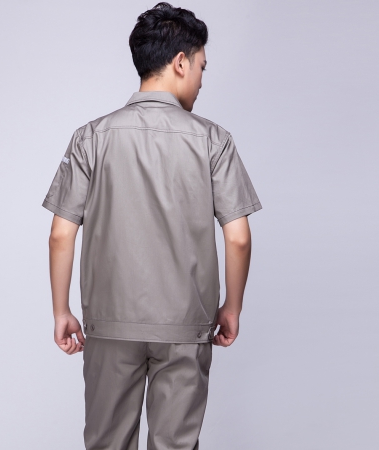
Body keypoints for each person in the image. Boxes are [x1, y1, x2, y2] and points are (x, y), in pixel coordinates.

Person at [41, 2, 262, 449]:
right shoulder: (214, 140)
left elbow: (61, 232)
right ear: (180, 63)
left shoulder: (91, 137)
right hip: (186, 327)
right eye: (201, 67)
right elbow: (238, 238)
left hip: (110, 325)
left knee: (106, 443)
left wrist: (62, 312)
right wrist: (232, 307)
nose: (202, 79)